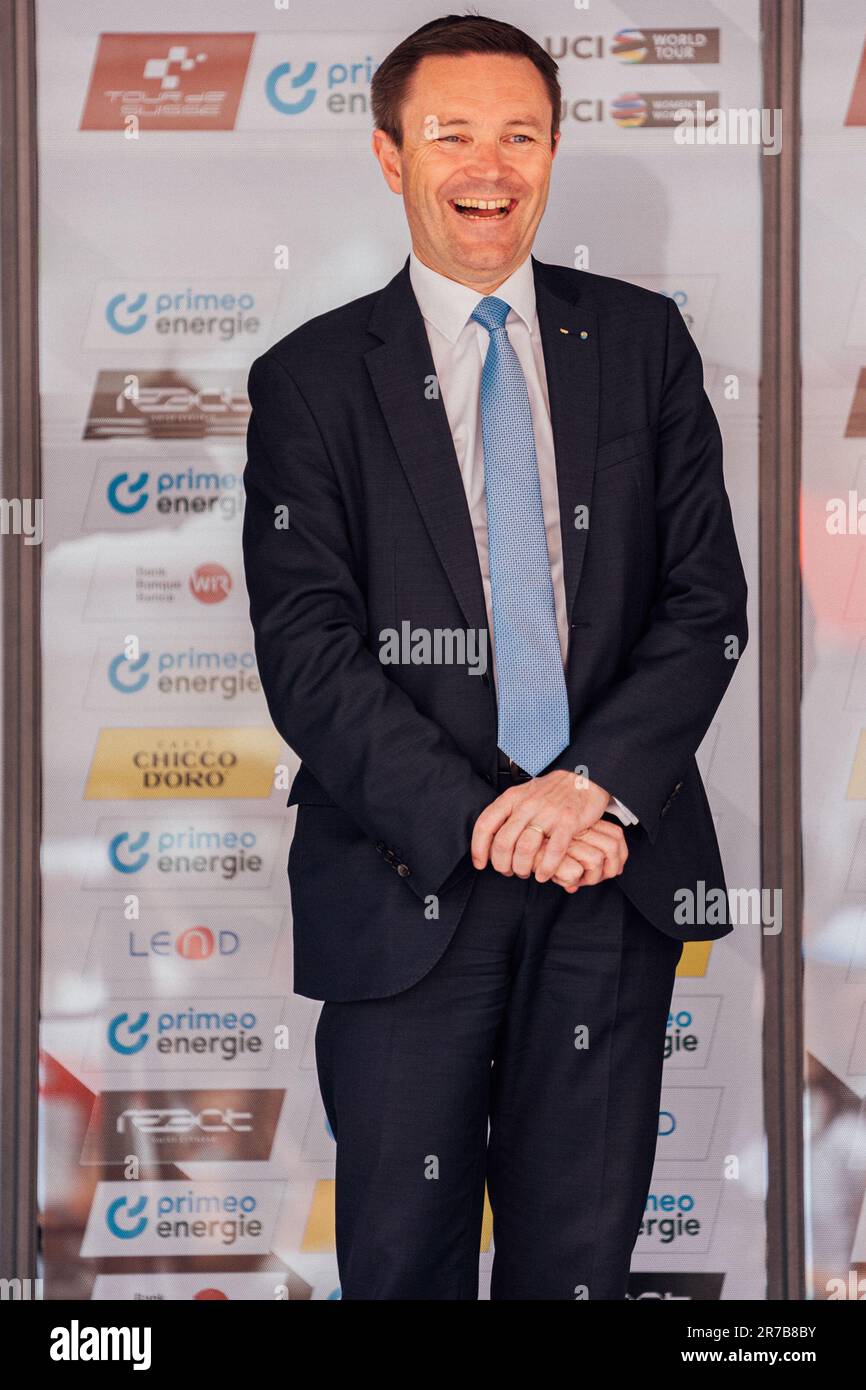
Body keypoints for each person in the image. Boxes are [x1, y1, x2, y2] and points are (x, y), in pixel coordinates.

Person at [242, 13, 748, 1300]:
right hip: (403, 881)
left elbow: (704, 604)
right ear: (387, 154)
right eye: (450, 132)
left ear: (552, 151)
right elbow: (308, 652)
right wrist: (482, 819)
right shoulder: (308, 380)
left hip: (606, 869)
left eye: (519, 133)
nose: (489, 163)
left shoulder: (642, 346)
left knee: (576, 1265)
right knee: (400, 1266)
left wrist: (582, 791)